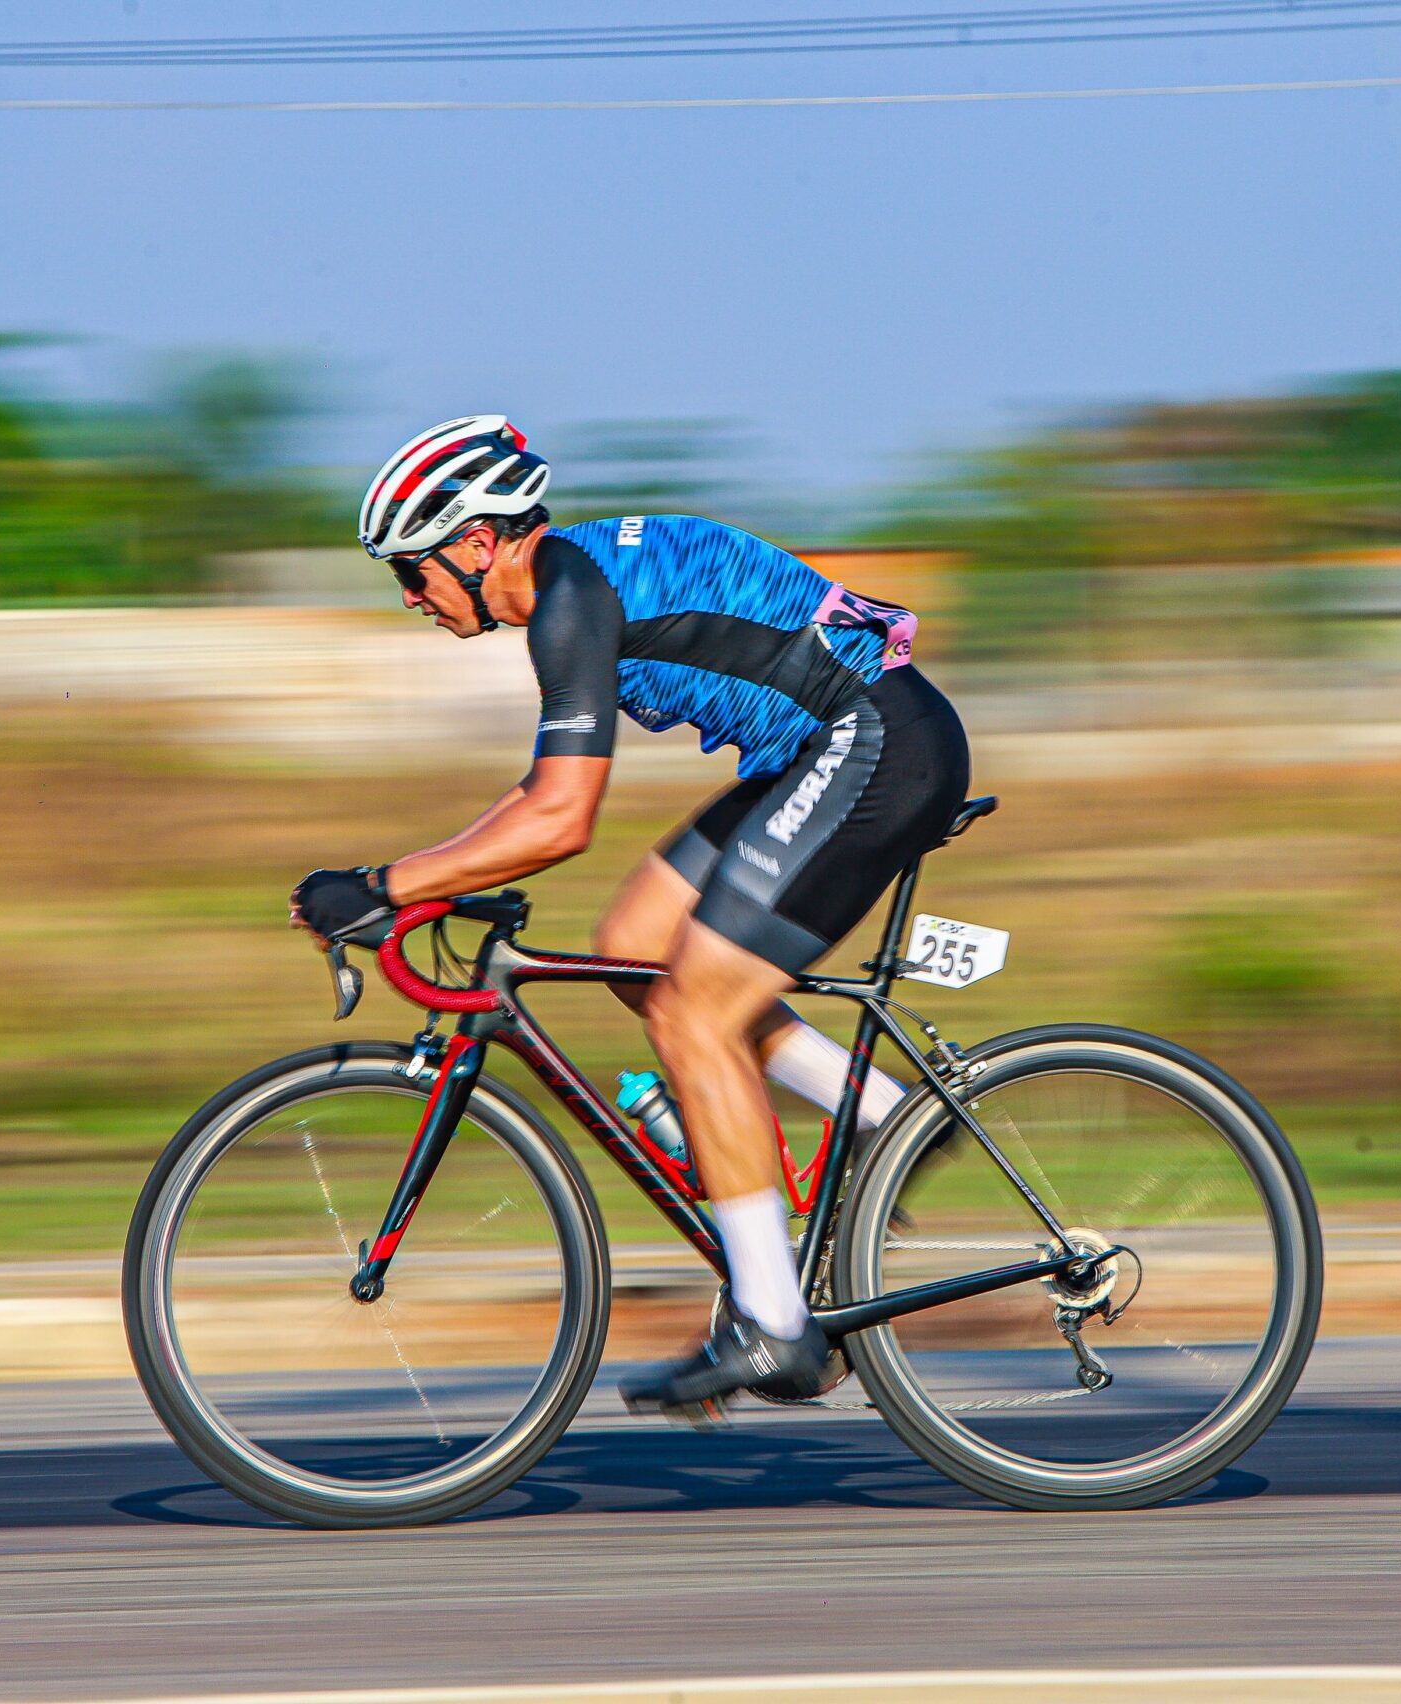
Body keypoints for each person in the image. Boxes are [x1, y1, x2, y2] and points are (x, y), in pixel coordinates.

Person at [289, 415, 970, 1417]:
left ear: (478, 546)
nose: (409, 597)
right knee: (634, 949)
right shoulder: (568, 587)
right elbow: (535, 798)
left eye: (414, 570)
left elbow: (561, 820)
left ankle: (775, 1327)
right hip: (837, 743)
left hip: (875, 743)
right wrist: (407, 876)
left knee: (697, 1012)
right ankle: (879, 1113)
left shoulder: (570, 600)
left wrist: (388, 886)